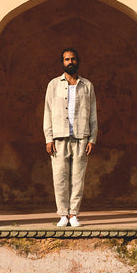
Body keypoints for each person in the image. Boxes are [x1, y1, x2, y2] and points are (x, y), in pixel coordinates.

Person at [43, 48, 97, 227]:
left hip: (81, 136)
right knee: (59, 177)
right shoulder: (53, 85)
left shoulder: (87, 86)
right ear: (62, 62)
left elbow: (93, 115)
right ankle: (62, 215)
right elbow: (48, 112)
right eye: (67, 59)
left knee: (77, 178)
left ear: (78, 61)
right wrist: (48, 138)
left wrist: (92, 139)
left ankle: (73, 214)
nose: (70, 62)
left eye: (73, 59)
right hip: (59, 137)